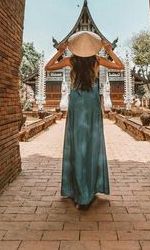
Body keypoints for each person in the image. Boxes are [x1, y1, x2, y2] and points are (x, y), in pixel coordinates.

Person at [45, 31, 124, 209]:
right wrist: (109, 50)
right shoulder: (97, 61)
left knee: (77, 146)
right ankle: (88, 190)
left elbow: (47, 67)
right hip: (91, 107)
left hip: (78, 106)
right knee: (90, 146)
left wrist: (60, 51)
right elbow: (120, 66)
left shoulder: (71, 60)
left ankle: (80, 192)